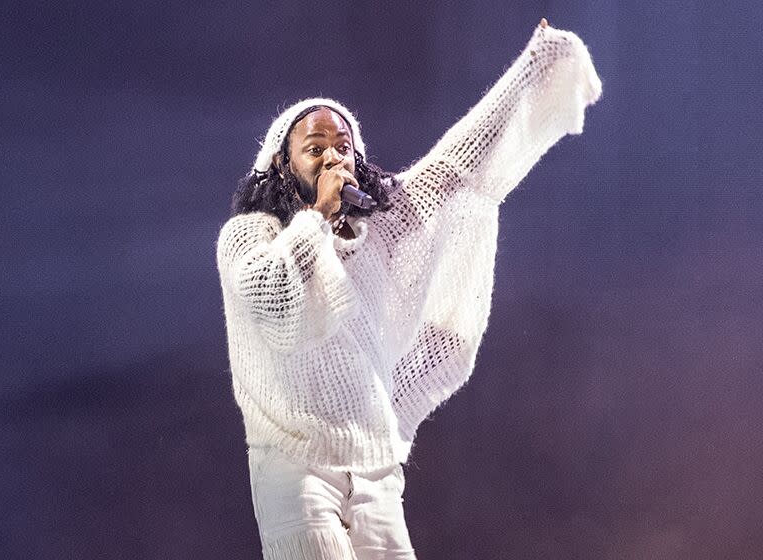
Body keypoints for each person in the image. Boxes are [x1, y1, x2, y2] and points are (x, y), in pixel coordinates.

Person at [216, 18, 602, 560]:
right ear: (282, 163)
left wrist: (533, 70)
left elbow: (456, 169)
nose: (333, 156)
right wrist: (317, 216)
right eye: (315, 147)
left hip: (375, 469)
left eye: (343, 146)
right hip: (294, 465)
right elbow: (274, 301)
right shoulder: (250, 234)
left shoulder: (379, 234)